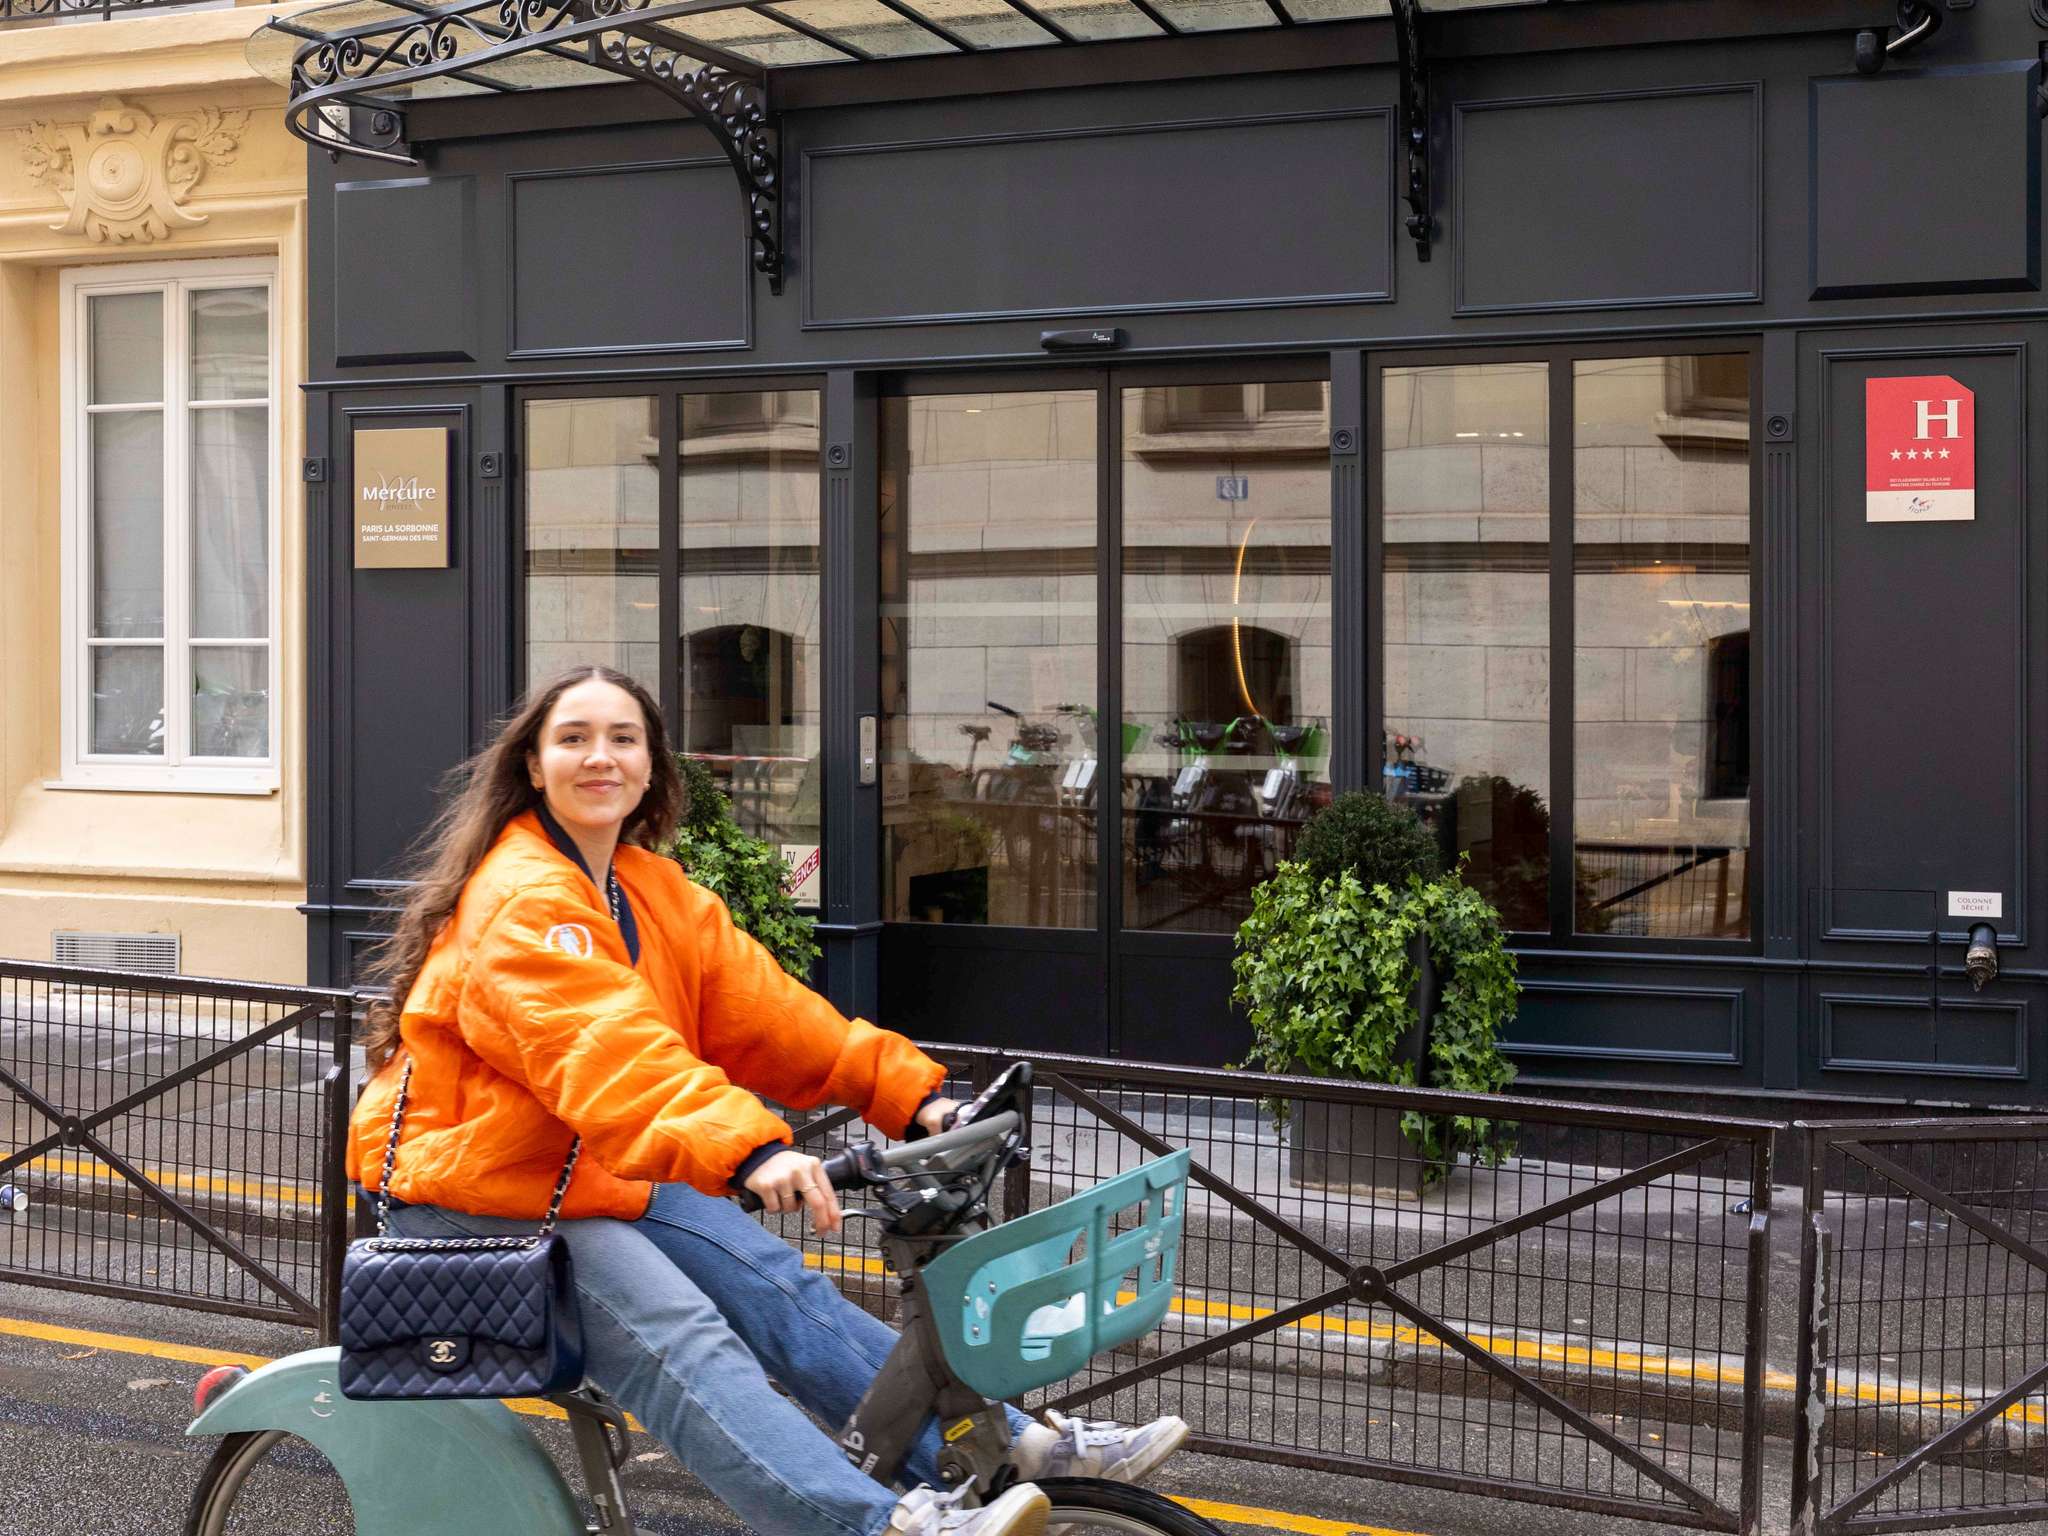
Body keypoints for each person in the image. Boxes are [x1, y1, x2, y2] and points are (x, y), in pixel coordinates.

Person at [348, 664, 1187, 1536]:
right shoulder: (524, 901)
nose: (600, 758)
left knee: (784, 1293)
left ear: (650, 767)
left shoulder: (648, 890)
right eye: (573, 739)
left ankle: (1014, 1449)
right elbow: (605, 1048)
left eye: (622, 739)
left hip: (583, 1171)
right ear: (533, 765)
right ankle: (875, 1527)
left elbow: (773, 1015)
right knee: (684, 1341)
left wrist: (911, 1099)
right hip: (475, 1194)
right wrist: (749, 1147)